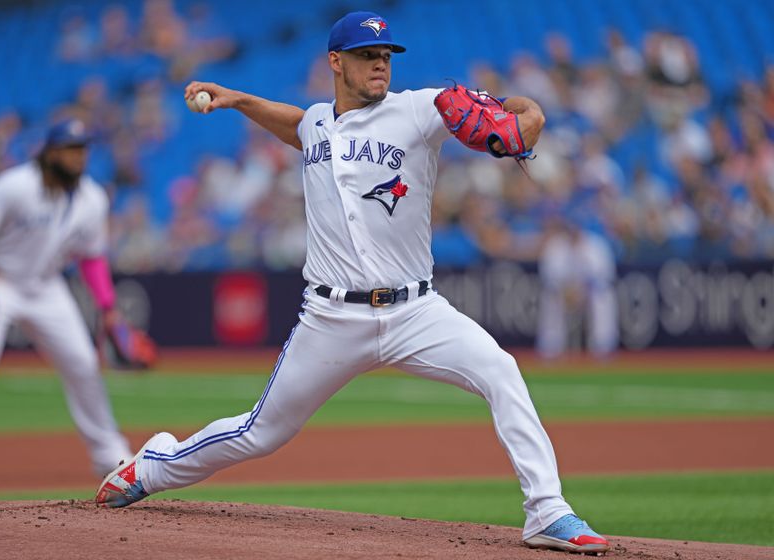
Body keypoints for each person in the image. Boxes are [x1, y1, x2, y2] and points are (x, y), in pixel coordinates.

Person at [96, 11, 609, 555]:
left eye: (386, 56)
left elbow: (510, 130)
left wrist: (528, 111)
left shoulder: (418, 109)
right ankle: (153, 468)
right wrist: (241, 100)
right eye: (368, 55)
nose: (380, 64)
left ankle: (547, 511)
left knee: (500, 371)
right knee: (261, 433)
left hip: (417, 312)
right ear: (336, 62)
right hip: (331, 319)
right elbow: (299, 125)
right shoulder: (318, 121)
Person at [0, 119, 133, 477]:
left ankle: (111, 455)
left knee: (82, 362)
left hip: (46, 286)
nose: (78, 157)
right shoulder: (17, 185)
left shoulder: (92, 198)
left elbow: (92, 257)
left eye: (83, 149)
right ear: (51, 152)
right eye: (71, 149)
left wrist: (108, 309)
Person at [536, 218, 619, 359]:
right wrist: (565, 292)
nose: (573, 232)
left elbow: (605, 277)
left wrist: (583, 291)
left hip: (591, 292)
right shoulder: (555, 245)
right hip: (563, 293)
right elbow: (549, 278)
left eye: (576, 229)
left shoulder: (596, 245)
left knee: (603, 298)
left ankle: (603, 346)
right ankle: (551, 347)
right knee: (550, 298)